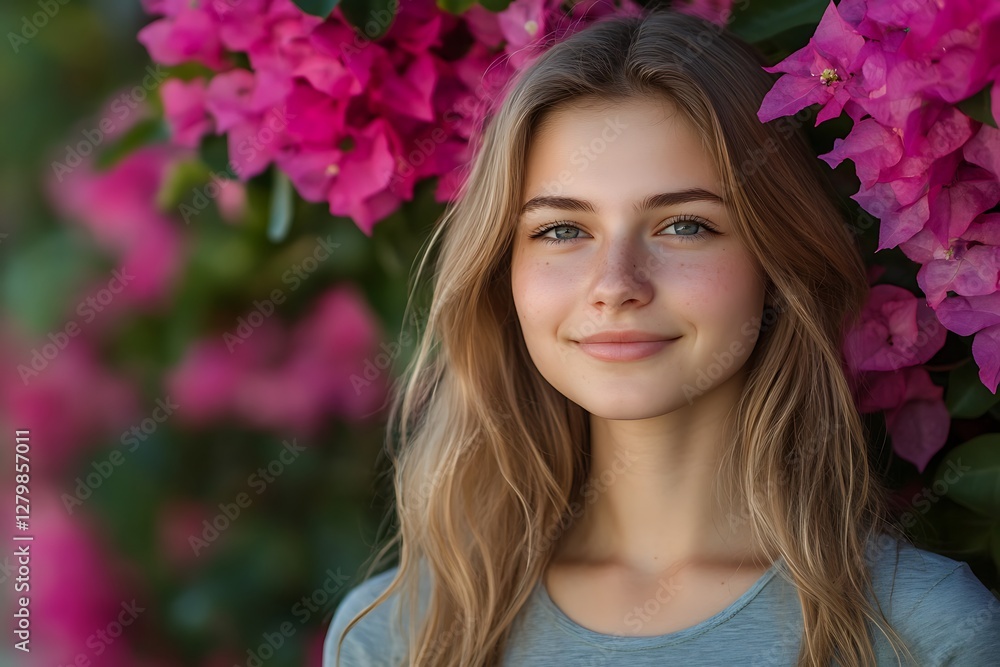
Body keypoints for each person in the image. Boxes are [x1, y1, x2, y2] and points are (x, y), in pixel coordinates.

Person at [323, 7, 1000, 666]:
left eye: (685, 225)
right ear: (504, 275)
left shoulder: (924, 631)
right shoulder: (398, 636)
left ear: (779, 260)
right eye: (562, 230)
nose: (615, 283)